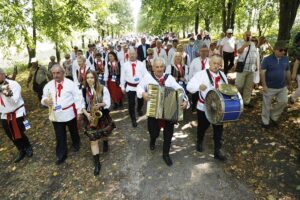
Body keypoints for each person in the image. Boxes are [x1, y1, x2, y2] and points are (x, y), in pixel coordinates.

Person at [137, 57, 189, 166]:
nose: (159, 69)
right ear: (153, 67)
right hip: (153, 111)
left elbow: (180, 89)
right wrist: (143, 93)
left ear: (164, 67)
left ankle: (166, 154)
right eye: (157, 67)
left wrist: (185, 101)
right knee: (154, 132)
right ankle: (153, 139)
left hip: (168, 112)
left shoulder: (169, 78)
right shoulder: (147, 77)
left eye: (161, 67)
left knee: (168, 135)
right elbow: (139, 87)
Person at [186, 54, 228, 161]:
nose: (216, 66)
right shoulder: (200, 74)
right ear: (209, 63)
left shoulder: (223, 75)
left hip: (219, 108)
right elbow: (189, 87)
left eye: (219, 64)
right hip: (204, 107)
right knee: (202, 127)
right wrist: (198, 87)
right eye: (214, 63)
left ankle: (217, 151)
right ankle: (199, 141)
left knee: (218, 129)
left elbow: (226, 90)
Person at [41, 64, 82, 165]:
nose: (55, 75)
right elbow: (43, 97)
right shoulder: (48, 85)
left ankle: (76, 143)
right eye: (53, 73)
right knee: (60, 135)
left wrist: (79, 111)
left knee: (73, 131)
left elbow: (78, 98)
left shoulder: (70, 84)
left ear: (63, 73)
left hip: (69, 113)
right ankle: (61, 155)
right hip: (56, 115)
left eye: (58, 73)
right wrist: (45, 101)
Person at [82, 70, 115, 176]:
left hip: (102, 115)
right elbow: (81, 104)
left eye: (92, 77)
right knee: (93, 141)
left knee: (104, 134)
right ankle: (97, 163)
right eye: (87, 78)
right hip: (90, 117)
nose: (89, 80)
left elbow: (108, 102)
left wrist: (100, 104)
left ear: (95, 78)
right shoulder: (83, 90)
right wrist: (87, 115)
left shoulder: (103, 88)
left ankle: (105, 141)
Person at [0, 68, 33, 163]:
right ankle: (21, 149)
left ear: (3, 74)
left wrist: (5, 92)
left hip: (17, 111)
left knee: (19, 130)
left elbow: (14, 101)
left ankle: (28, 146)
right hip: (4, 114)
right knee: (10, 134)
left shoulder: (13, 84)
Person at [260, 41, 291, 128]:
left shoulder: (285, 59)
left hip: (282, 86)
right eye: (281, 50)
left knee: (283, 101)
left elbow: (287, 71)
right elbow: (262, 73)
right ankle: (265, 122)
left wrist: (290, 83)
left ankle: (273, 116)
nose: (283, 52)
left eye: (285, 50)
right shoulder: (267, 59)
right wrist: (264, 85)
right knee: (266, 105)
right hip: (269, 87)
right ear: (275, 50)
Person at [120, 49, 148, 127]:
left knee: (140, 101)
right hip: (130, 87)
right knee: (131, 103)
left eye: (133, 54)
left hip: (140, 87)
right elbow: (122, 77)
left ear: (136, 55)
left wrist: (146, 85)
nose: (132, 55)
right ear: (128, 55)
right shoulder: (124, 65)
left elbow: (145, 75)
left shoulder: (141, 64)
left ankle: (139, 109)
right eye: (130, 54)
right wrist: (122, 86)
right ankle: (133, 118)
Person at [235, 31, 259, 108]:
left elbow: (255, 55)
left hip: (251, 69)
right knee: (239, 85)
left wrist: (255, 65)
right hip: (242, 68)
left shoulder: (253, 44)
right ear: (243, 36)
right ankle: (235, 100)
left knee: (248, 87)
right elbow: (238, 52)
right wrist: (244, 46)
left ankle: (246, 101)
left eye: (250, 35)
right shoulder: (240, 42)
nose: (248, 36)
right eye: (247, 35)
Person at [189, 45, 210, 112]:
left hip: (206, 82)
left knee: (206, 96)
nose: (203, 52)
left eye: (205, 51)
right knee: (195, 96)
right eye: (202, 51)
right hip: (196, 82)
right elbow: (190, 72)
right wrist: (190, 82)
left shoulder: (210, 61)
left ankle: (206, 108)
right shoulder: (194, 61)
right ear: (199, 52)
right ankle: (194, 106)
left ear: (207, 52)